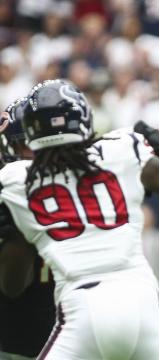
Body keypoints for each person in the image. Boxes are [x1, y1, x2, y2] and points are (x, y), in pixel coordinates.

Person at [0, 79, 159, 360]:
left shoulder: (15, 182)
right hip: (137, 301)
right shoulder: (119, 152)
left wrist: (20, 231)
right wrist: (157, 141)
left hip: (79, 309)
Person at [0, 97, 56, 360]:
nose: (34, 153)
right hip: (14, 342)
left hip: (76, 335)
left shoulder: (80, 187)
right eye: (25, 144)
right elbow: (13, 287)